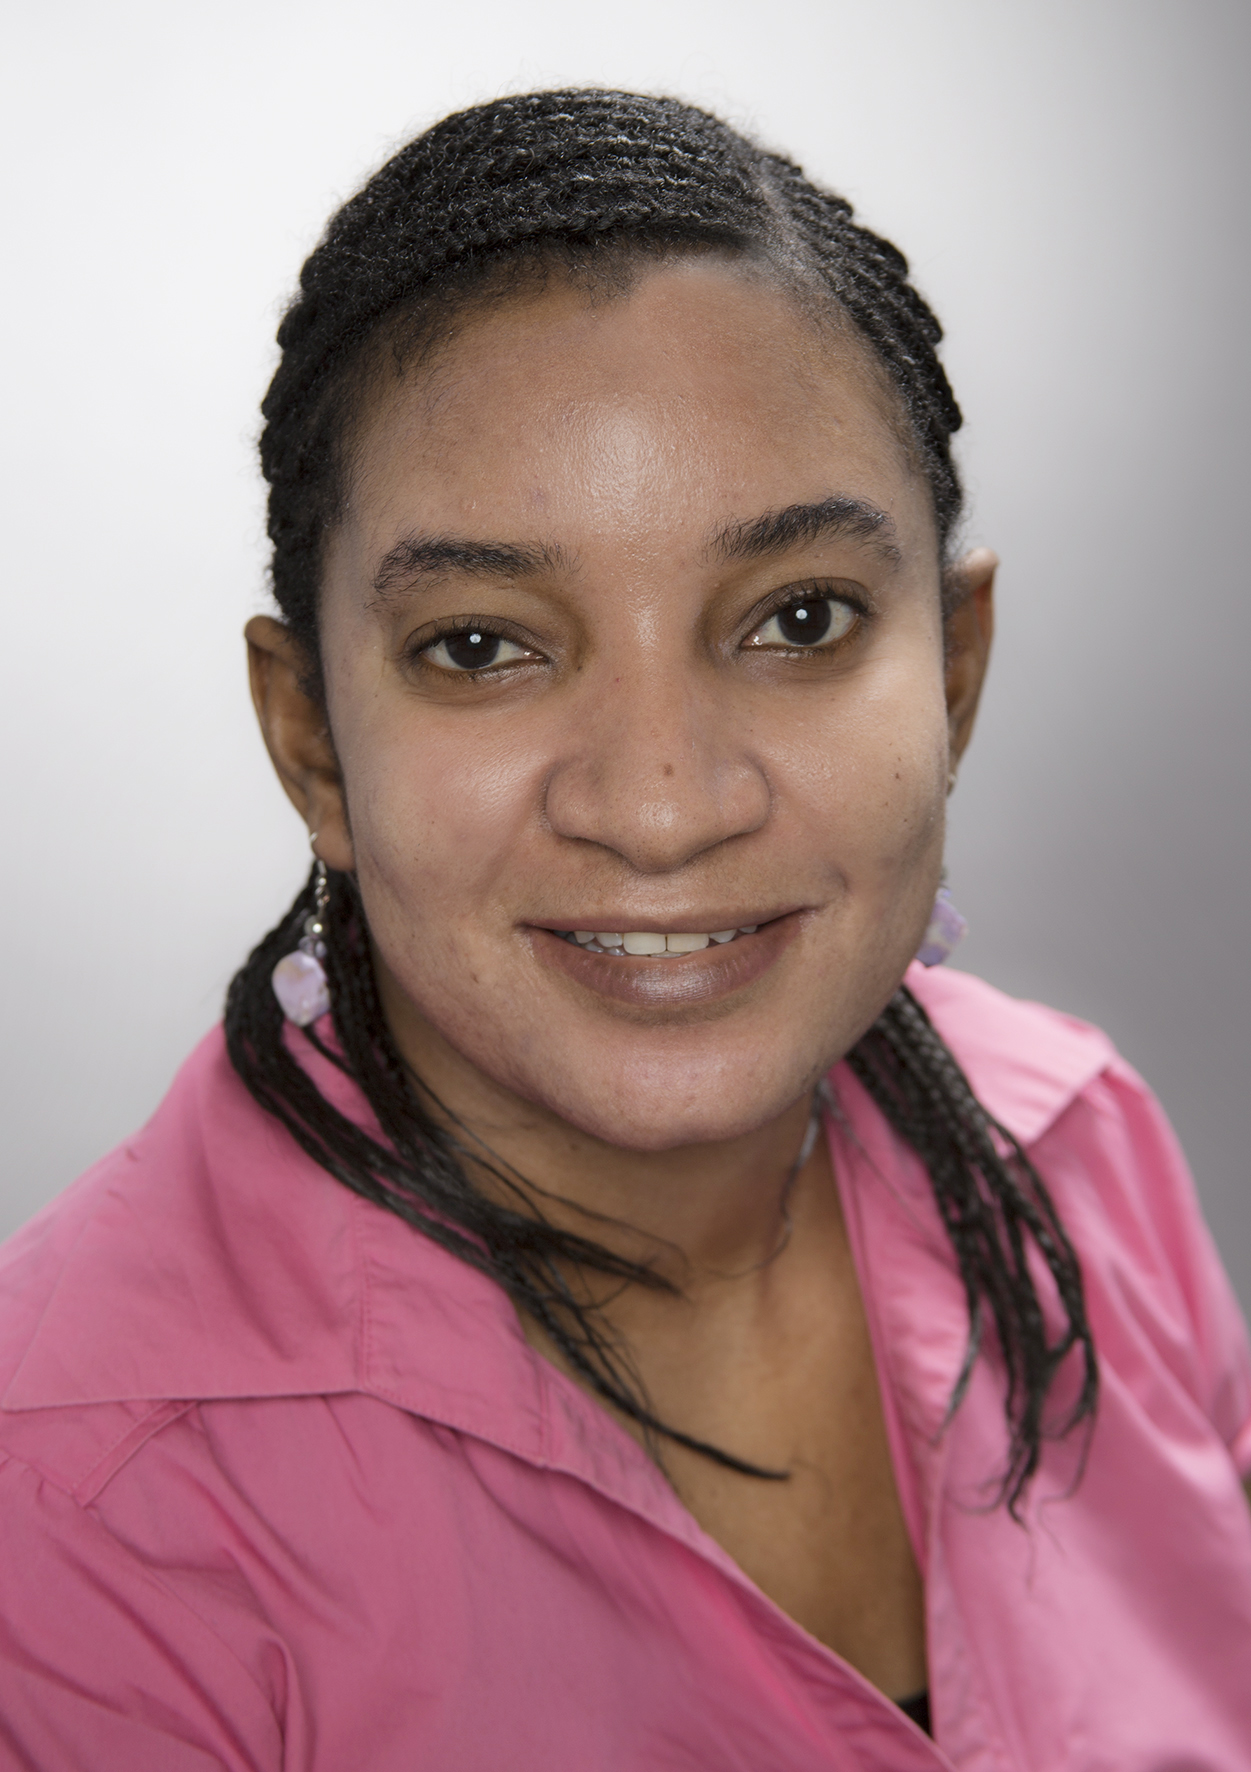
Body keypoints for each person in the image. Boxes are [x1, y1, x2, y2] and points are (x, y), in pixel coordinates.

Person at [1, 88, 1248, 1771]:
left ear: (953, 674)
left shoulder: (1080, 1149)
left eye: (799, 619)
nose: (661, 807)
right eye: (482, 646)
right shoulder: (72, 1496)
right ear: (313, 744)